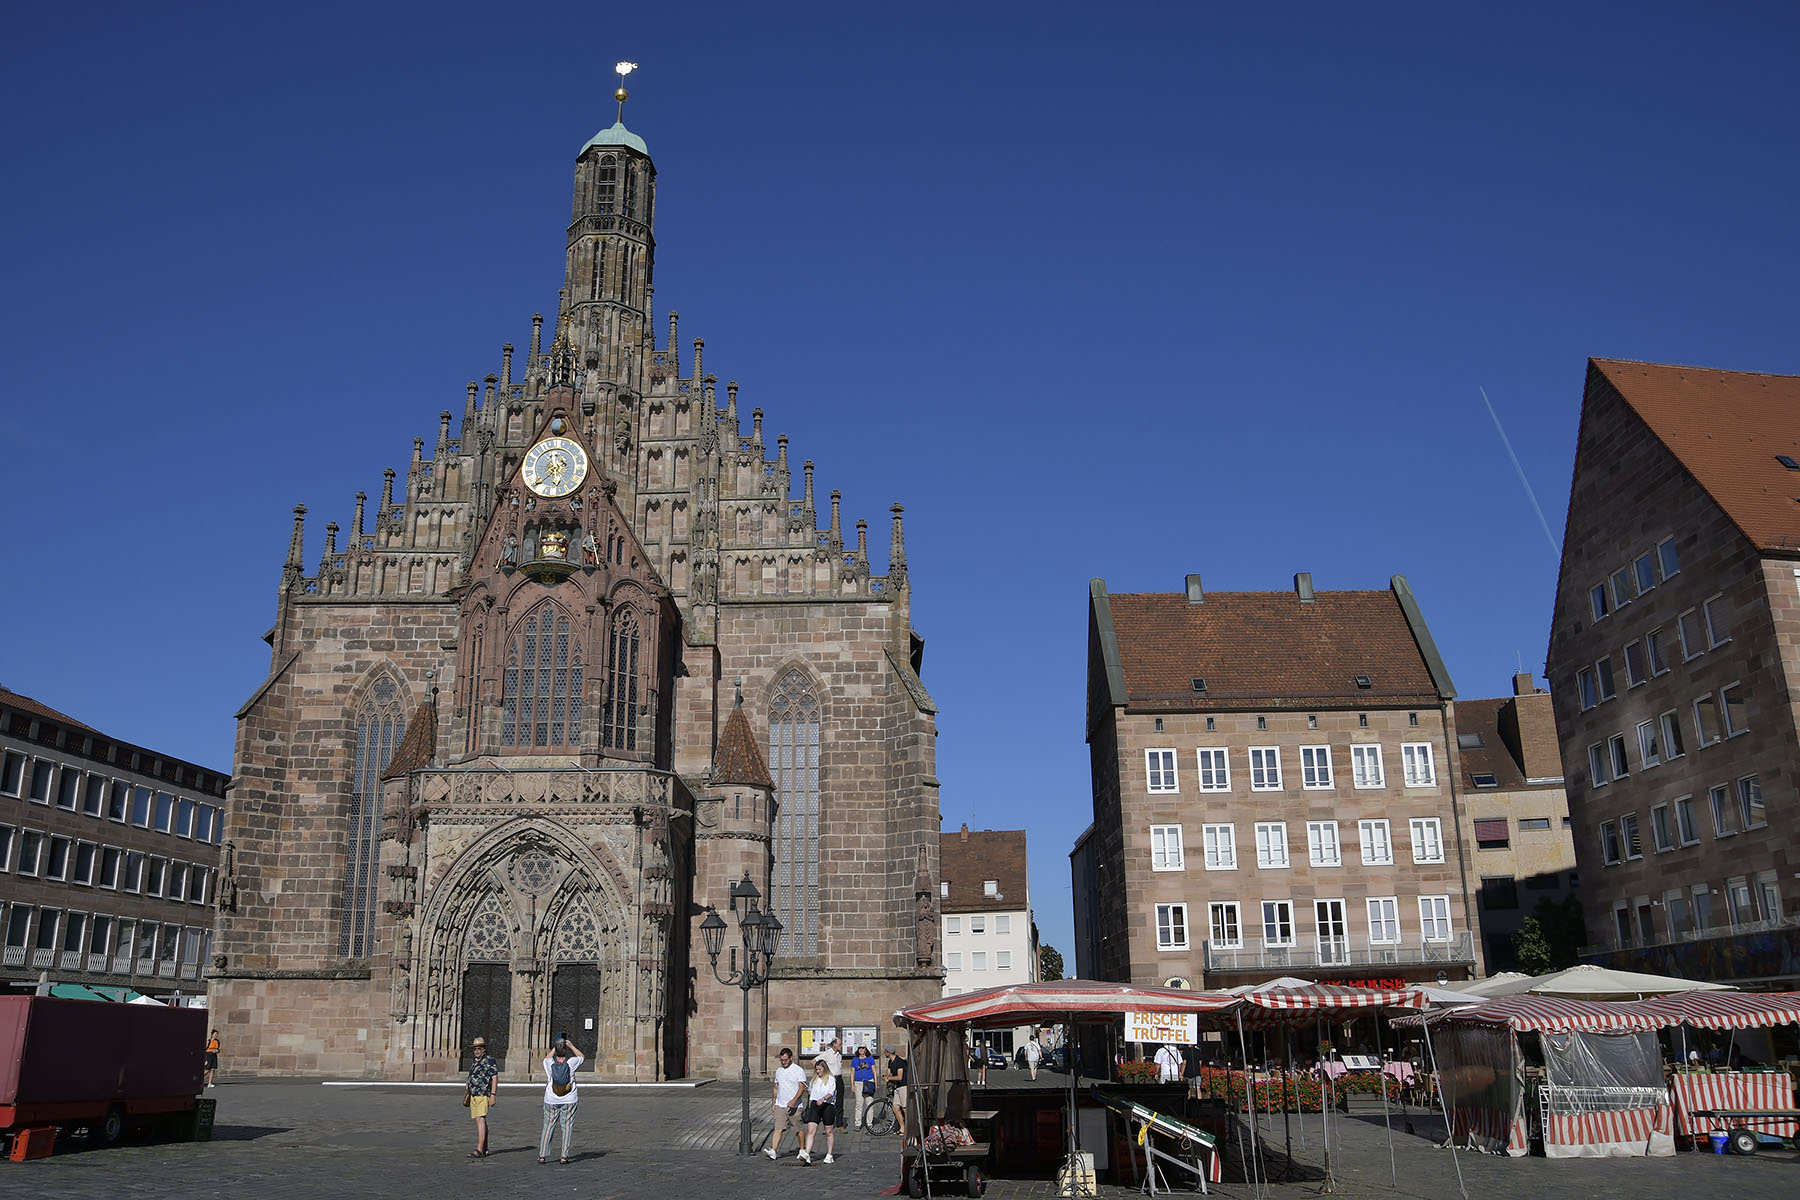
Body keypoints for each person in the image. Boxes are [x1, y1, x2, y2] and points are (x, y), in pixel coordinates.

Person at [538, 1034, 584, 1164]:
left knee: (548, 1126)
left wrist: (555, 1047)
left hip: (551, 1099)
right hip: (569, 1099)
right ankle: (564, 1155)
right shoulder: (571, 1063)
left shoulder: (549, 1063)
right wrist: (571, 1046)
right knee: (567, 1126)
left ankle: (542, 1155)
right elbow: (581, 1056)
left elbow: (546, 1058)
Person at [764, 1047, 806, 1160]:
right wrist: (773, 1103)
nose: (783, 1062)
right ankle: (773, 1150)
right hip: (780, 1105)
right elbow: (776, 1087)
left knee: (798, 1129)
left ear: (790, 1058)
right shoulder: (779, 1071)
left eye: (785, 1060)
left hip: (795, 1106)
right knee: (778, 1128)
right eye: (782, 1060)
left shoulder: (798, 1070)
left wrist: (794, 1101)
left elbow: (801, 1088)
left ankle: (802, 1149)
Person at [465, 1036, 499, 1158]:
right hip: (474, 1094)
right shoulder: (475, 1061)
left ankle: (479, 1149)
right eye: (475, 1049)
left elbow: (494, 1077)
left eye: (479, 1048)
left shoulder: (489, 1060)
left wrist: (493, 1094)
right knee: (479, 1120)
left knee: (480, 1119)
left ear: (484, 1049)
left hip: (483, 1093)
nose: (476, 1051)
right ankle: (484, 1147)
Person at [800, 1057, 838, 1164]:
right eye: (816, 1070)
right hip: (815, 1105)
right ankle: (807, 1153)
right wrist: (808, 1090)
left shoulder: (831, 1079)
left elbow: (831, 1092)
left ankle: (829, 1154)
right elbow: (812, 1092)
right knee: (811, 1130)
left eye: (820, 1069)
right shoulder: (814, 1079)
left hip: (827, 1105)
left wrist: (823, 1099)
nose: (818, 1072)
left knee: (828, 1131)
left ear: (824, 1069)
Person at [886, 1045, 911, 1140]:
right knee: (895, 1107)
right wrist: (886, 1076)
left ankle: (910, 1127)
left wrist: (889, 1078)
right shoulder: (890, 1061)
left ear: (888, 1052)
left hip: (903, 1086)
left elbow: (899, 1077)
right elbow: (888, 1072)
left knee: (904, 1108)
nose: (884, 1053)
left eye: (885, 1051)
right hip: (897, 1087)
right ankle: (902, 1128)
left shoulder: (899, 1062)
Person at [821, 1035, 846, 1129]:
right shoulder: (827, 1054)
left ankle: (839, 1124)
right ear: (834, 1044)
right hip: (830, 1079)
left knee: (839, 1101)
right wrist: (822, 1074)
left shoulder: (839, 1055)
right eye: (839, 1044)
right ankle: (827, 1124)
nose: (841, 1046)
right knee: (829, 1102)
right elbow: (814, 1061)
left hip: (839, 1079)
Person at [852, 1046, 876, 1130]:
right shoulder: (855, 1059)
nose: (861, 1050)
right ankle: (858, 1123)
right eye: (860, 1048)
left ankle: (869, 1123)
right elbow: (852, 1072)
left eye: (863, 1048)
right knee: (859, 1103)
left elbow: (874, 1071)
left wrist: (875, 1083)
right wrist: (852, 1085)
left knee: (869, 1103)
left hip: (869, 1082)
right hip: (858, 1083)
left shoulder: (870, 1058)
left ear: (866, 1050)